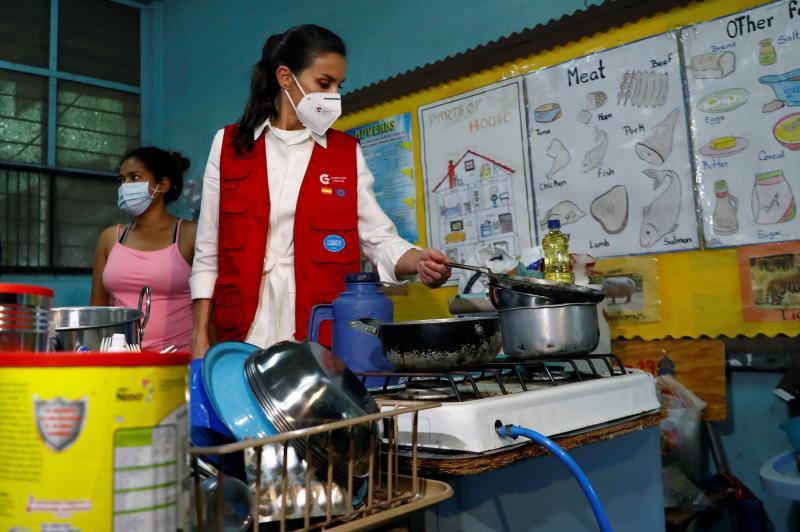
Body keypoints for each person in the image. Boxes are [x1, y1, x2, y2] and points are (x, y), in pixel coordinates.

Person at [191, 24, 451, 357]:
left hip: (316, 335)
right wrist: (199, 335)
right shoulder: (228, 145)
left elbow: (379, 240)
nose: (333, 97)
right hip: (241, 332)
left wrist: (420, 262)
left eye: (339, 86)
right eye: (323, 84)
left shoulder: (344, 152)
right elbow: (208, 250)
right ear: (285, 77)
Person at [91, 147, 197, 352]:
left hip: (176, 362)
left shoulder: (189, 235)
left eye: (135, 177)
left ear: (163, 185)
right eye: (122, 180)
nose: (125, 186)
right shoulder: (110, 238)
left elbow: (209, 309)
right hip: (118, 362)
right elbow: (97, 309)